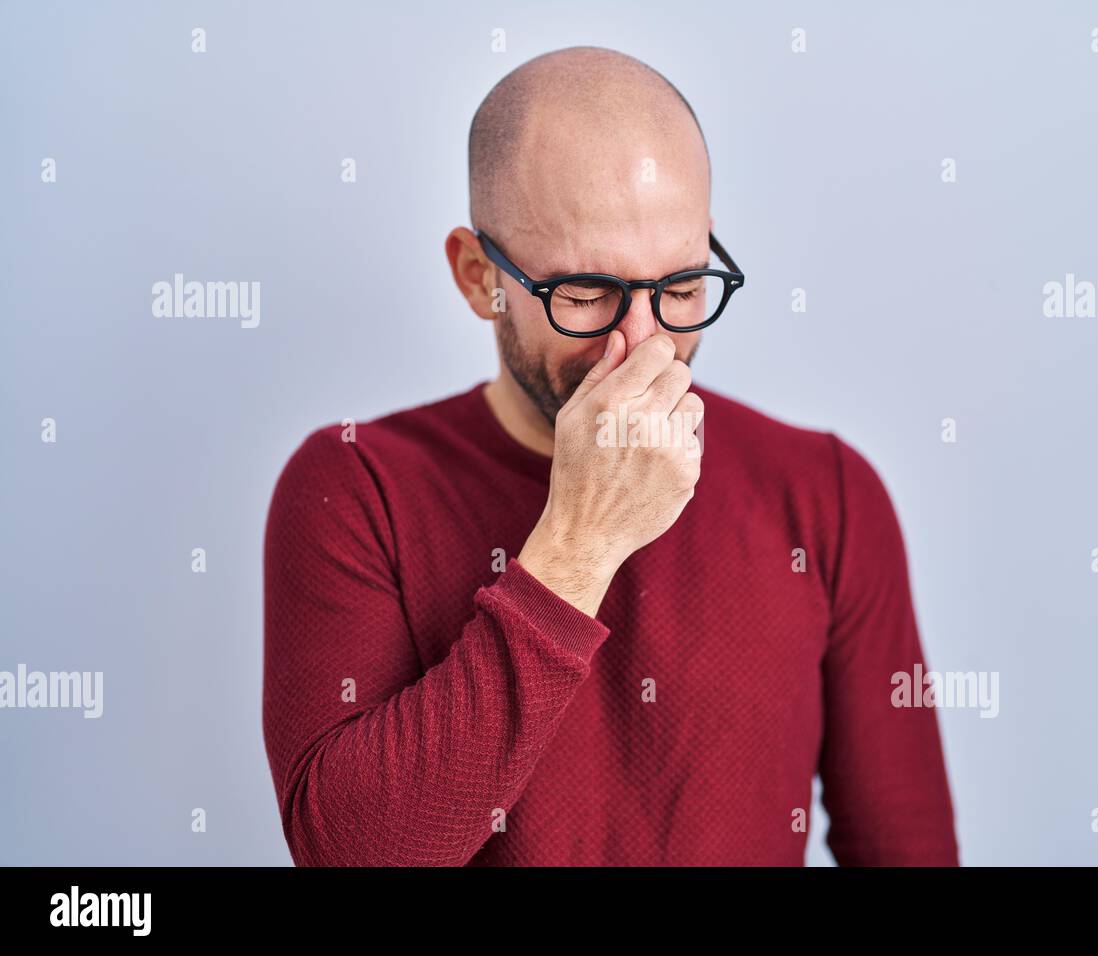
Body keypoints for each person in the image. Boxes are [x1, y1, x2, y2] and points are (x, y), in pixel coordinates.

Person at [261, 45, 959, 866]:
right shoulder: (354, 487)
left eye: (681, 288)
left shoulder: (825, 494)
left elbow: (907, 848)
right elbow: (354, 856)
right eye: (585, 294)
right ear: (479, 275)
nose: (640, 345)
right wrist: (577, 546)